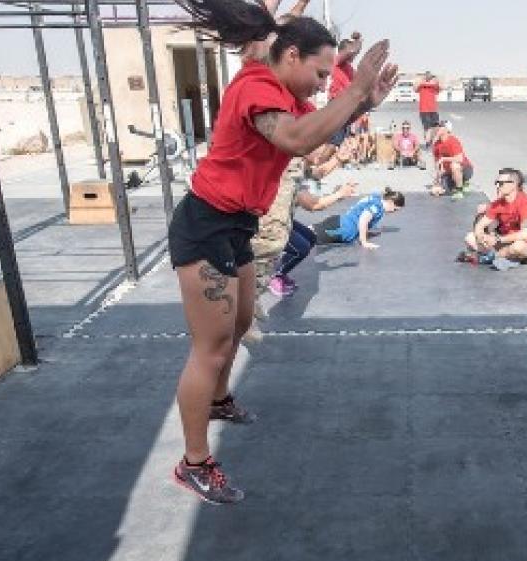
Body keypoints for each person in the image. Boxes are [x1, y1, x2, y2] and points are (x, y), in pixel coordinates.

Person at [168, 4, 397, 504]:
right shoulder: (257, 87)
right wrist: (353, 88)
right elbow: (295, 140)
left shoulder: (283, 91)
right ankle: (194, 463)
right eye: (318, 73)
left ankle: (220, 400)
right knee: (208, 348)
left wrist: (360, 106)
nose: (320, 85)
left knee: (241, 320)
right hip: (205, 225)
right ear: (290, 54)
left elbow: (311, 145)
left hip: (237, 223)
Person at [265, 175, 358, 296]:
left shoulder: (298, 172)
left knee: (311, 237)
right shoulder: (289, 178)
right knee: (301, 248)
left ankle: (280, 272)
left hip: (283, 220)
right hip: (270, 223)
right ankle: (272, 276)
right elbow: (314, 205)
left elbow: (319, 169)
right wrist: (339, 194)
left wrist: (337, 159)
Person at [460, 168, 527, 270]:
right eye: (496, 182)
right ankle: (503, 258)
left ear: (514, 184)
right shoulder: (498, 204)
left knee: (518, 247)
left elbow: (525, 235)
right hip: (504, 241)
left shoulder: (526, 205)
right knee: (470, 238)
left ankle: (494, 257)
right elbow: (480, 225)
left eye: (501, 183)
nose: (497, 186)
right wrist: (482, 238)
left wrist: (497, 239)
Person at [311, 188, 404, 249]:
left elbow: (359, 212)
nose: (393, 212)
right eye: (395, 209)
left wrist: (367, 232)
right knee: (311, 238)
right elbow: (363, 220)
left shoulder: (376, 198)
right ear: (390, 202)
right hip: (343, 230)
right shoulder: (377, 207)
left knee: (310, 230)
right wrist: (364, 241)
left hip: (339, 221)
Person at [430, 121, 473, 199]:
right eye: (437, 127)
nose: (437, 128)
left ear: (446, 130)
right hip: (448, 172)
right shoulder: (436, 145)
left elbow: (460, 159)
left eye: (440, 126)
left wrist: (444, 159)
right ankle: (459, 183)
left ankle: (460, 190)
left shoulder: (453, 141)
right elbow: (438, 165)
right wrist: (437, 181)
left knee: (454, 165)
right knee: (437, 191)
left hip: (465, 169)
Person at [416, 71, 441, 142]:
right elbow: (415, 88)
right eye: (427, 76)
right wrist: (422, 81)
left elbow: (440, 88)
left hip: (433, 109)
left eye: (430, 76)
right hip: (423, 110)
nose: (428, 77)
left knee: (435, 127)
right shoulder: (421, 85)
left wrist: (436, 80)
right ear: (425, 77)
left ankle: (431, 141)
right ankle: (428, 142)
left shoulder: (434, 86)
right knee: (427, 127)